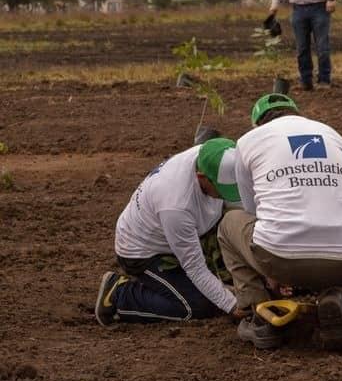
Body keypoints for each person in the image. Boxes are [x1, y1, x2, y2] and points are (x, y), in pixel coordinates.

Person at [217, 94, 342, 351]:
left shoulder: (248, 141)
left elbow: (252, 211)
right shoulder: (334, 136)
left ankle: (259, 315)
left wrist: (272, 271)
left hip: (280, 256)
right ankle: (340, 298)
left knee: (229, 223)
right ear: (297, 113)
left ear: (258, 124)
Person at [95, 138, 242, 326]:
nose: (226, 194)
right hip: (144, 253)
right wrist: (231, 305)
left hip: (187, 231)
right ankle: (119, 295)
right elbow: (195, 268)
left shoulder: (215, 156)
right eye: (222, 190)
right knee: (198, 306)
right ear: (201, 177)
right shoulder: (176, 205)